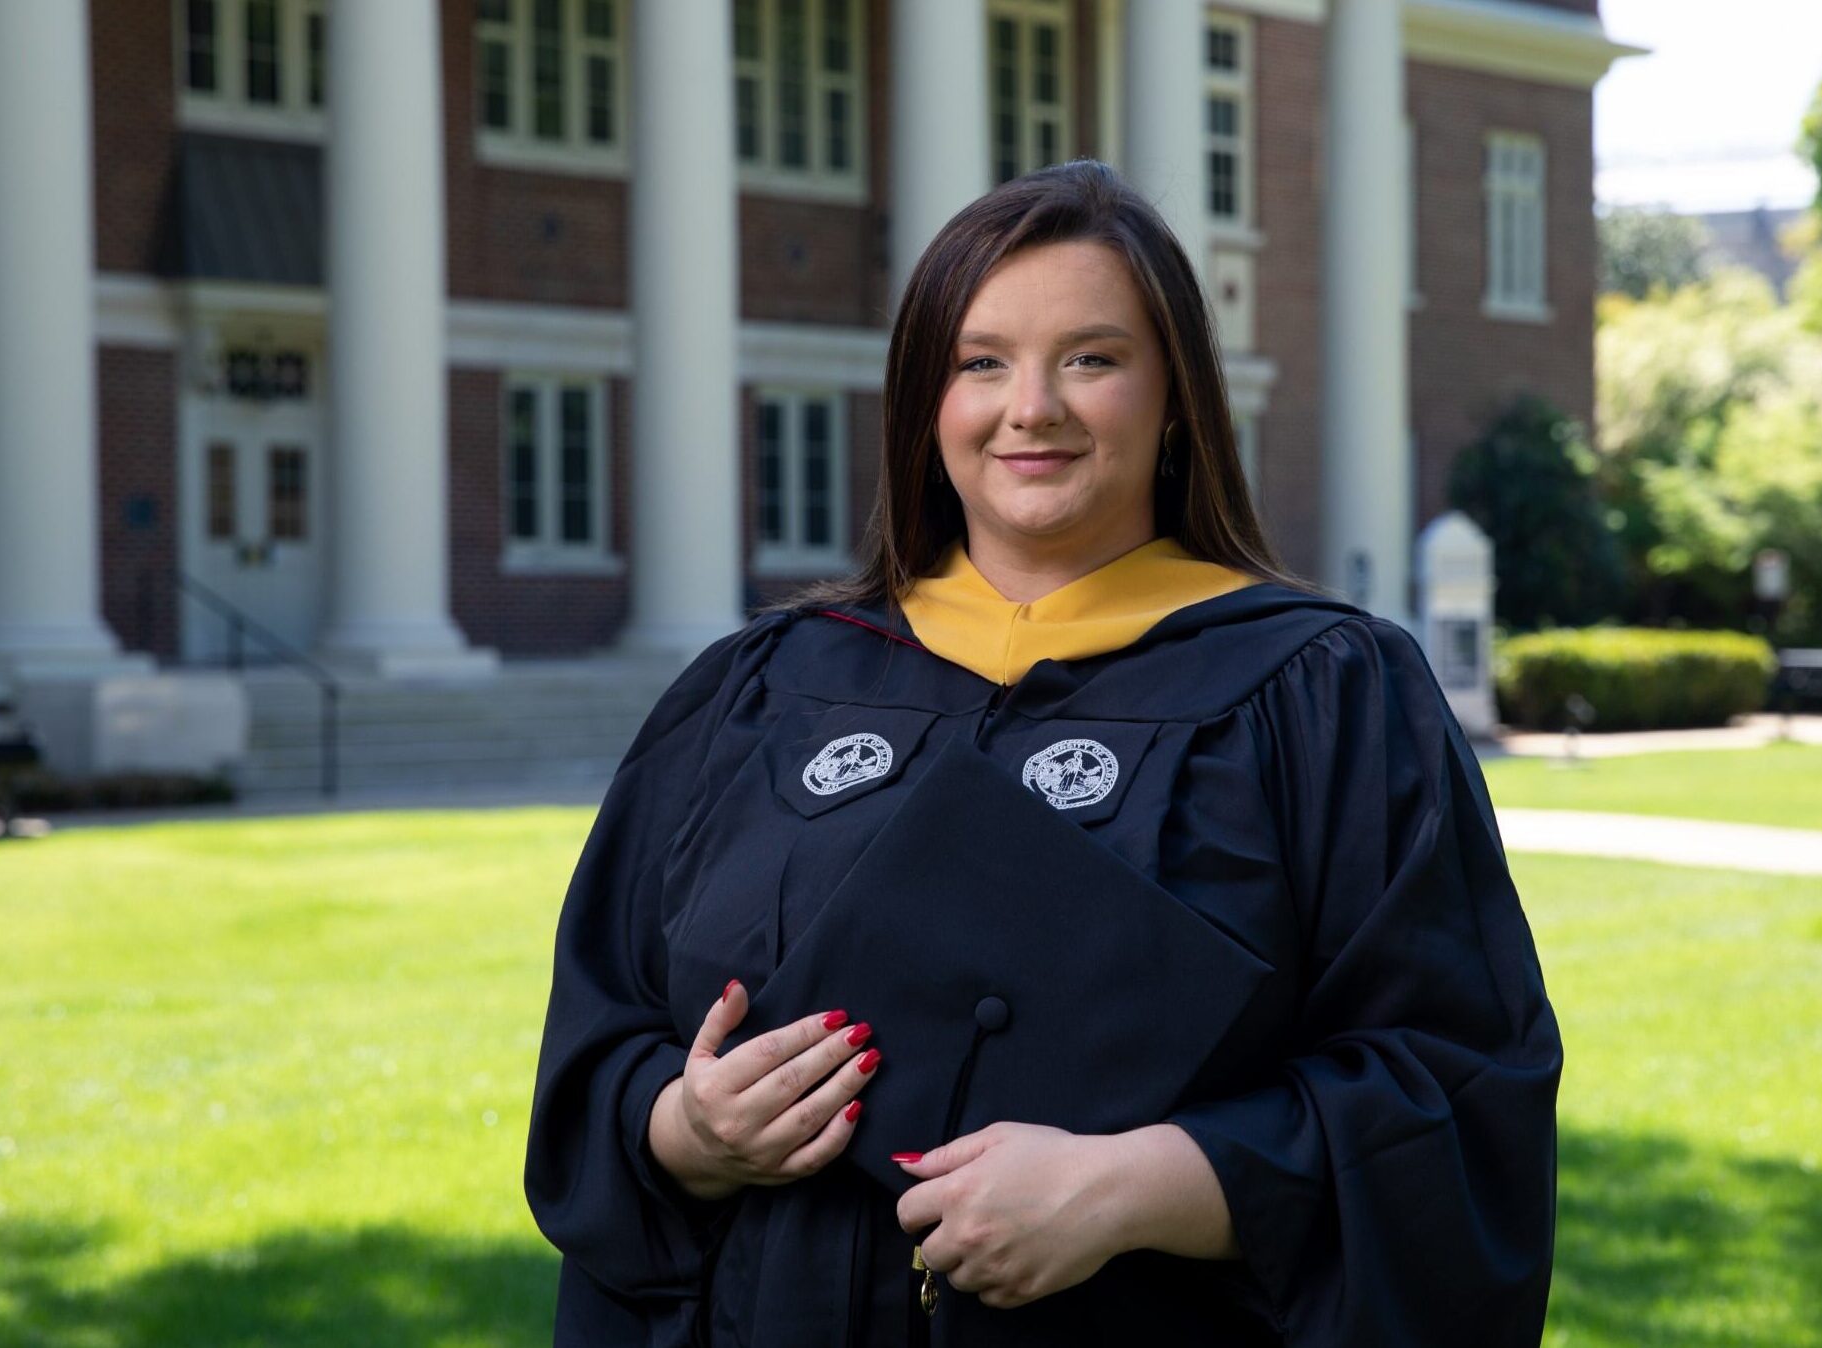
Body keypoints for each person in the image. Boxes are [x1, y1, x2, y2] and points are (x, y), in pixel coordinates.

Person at [524, 159, 1563, 1348]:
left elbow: (1455, 1092)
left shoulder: (1320, 696)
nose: (1032, 407)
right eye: (980, 361)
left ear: (1175, 396)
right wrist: (687, 1132)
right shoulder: (761, 694)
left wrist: (1141, 1186)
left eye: (1091, 357)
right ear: (925, 401)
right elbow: (598, 1048)